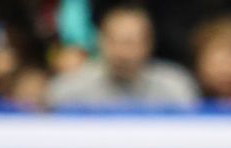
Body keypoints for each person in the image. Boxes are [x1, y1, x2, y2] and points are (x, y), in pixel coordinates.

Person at [47, 0, 198, 106]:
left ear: (149, 44)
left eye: (130, 43)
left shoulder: (175, 87)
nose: (122, 53)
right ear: (100, 42)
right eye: (114, 41)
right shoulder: (68, 89)